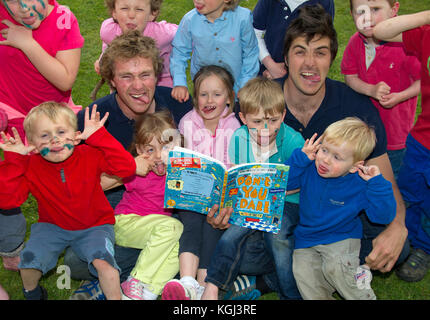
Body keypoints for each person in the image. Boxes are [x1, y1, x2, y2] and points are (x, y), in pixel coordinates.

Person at [210, 4, 410, 298]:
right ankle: (297, 274)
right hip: (278, 220)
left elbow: (386, 182)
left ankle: (271, 279)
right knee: (235, 241)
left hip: (336, 221)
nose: (310, 64)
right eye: (301, 51)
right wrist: (223, 210)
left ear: (331, 58)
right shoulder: (259, 104)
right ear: (286, 58)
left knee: (397, 243)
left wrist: (398, 226)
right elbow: (237, 171)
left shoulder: (355, 109)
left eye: (320, 52)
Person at [64, 30, 192, 300]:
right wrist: (127, 169)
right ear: (111, 80)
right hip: (117, 203)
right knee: (76, 260)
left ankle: (118, 283)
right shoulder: (94, 120)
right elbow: (78, 188)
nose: (138, 86)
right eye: (126, 76)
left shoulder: (179, 105)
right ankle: (140, 277)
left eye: (145, 75)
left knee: (193, 231)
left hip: (174, 201)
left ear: (157, 75)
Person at [0, 102, 136, 300]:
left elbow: (127, 169)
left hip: (95, 225)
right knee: (28, 262)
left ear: (76, 135)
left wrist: (99, 137)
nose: (55, 140)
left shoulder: (90, 154)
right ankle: (32, 292)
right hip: (51, 226)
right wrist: (15, 162)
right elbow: (8, 201)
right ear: (33, 145)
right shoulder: (30, 166)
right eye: (44, 135)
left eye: (62, 132)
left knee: (106, 265)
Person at [0, 0, 84, 281]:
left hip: (53, 118)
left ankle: (76, 231)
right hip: (12, 114)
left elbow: (65, 79)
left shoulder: (63, 18)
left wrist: (26, 42)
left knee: (66, 179)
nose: (25, 7)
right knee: (9, 188)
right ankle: (11, 246)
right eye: (13, 0)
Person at [201, 77, 305, 300]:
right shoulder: (238, 138)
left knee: (278, 238)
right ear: (243, 118)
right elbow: (239, 179)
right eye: (257, 122)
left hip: (287, 203)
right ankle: (213, 286)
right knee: (231, 236)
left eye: (273, 120)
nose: (265, 129)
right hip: (252, 202)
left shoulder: (294, 141)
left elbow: (302, 185)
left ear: (283, 116)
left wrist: (272, 191)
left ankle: (291, 294)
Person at [287, 117, 396, 300]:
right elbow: (285, 184)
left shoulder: (360, 183)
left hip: (341, 238)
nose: (325, 160)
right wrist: (300, 159)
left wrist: (377, 185)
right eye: (324, 150)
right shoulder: (308, 168)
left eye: (336, 157)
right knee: (304, 275)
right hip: (306, 239)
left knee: (338, 269)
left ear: (355, 166)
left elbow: (383, 216)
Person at [162, 65, 240, 300]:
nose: (209, 100)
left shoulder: (235, 126)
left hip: (220, 198)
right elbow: (180, 161)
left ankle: (204, 285)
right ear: (195, 97)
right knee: (192, 221)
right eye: (203, 94)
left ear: (228, 97)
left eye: (217, 94)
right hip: (191, 195)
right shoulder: (187, 122)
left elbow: (234, 164)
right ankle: (186, 280)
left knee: (213, 226)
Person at [102, 110, 183, 300]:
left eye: (165, 148)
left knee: (181, 247)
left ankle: (148, 293)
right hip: (127, 223)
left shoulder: (178, 173)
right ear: (139, 150)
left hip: (158, 231)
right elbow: (99, 183)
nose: (158, 156)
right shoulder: (138, 170)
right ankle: (136, 280)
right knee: (173, 226)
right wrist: (130, 167)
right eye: (150, 150)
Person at [374, 10, 430, 282]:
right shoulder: (427, 35)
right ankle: (403, 237)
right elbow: (382, 31)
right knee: (409, 190)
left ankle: (424, 248)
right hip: (421, 139)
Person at [341, 0, 421, 179]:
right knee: (359, 174)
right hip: (361, 131)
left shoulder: (406, 45)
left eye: (375, 9)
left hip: (395, 136)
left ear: (394, 10)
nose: (367, 17)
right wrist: (370, 89)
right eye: (360, 11)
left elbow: (421, 82)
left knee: (392, 178)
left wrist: (400, 96)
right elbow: (350, 77)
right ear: (352, 14)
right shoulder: (355, 42)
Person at [169, 0, 259, 102]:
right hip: (205, 91)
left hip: (237, 88)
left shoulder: (242, 18)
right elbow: (179, 52)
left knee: (236, 115)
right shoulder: (190, 20)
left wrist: (244, 85)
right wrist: (180, 82)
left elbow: (250, 53)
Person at [91, 0, 177, 101]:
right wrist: (102, 60)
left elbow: (186, 34)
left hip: (162, 85)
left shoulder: (162, 34)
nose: (131, 15)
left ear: (152, 14)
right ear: (114, 12)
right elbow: (109, 43)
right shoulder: (109, 30)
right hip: (123, 86)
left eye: (139, 9)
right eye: (124, 8)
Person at [253, 0, 334, 80]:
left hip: (306, 74)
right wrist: (270, 65)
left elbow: (323, 41)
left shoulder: (324, 3)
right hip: (269, 73)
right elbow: (254, 33)